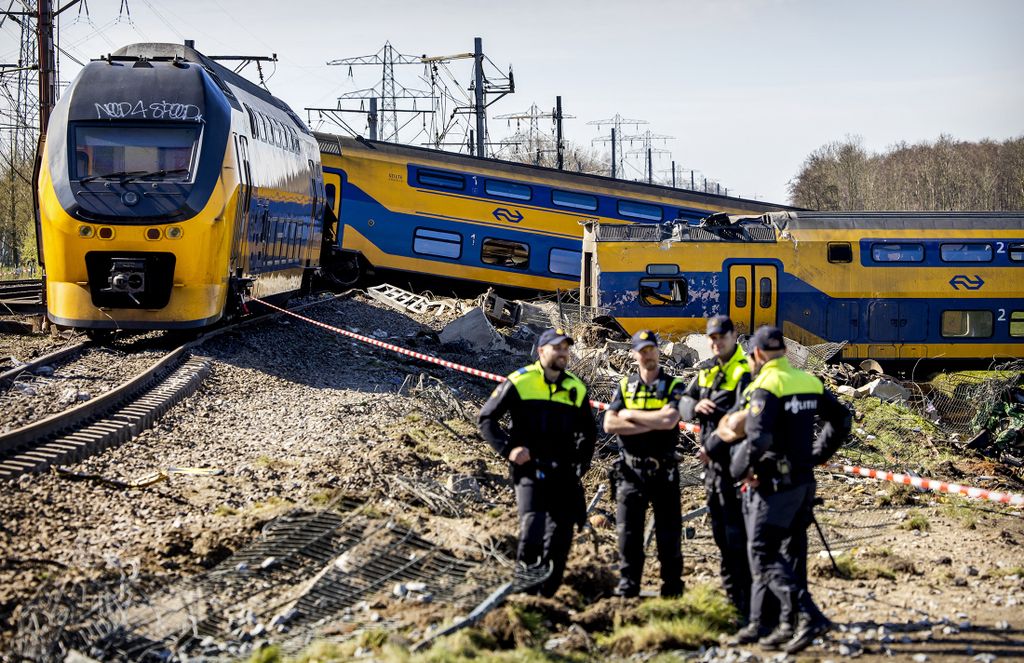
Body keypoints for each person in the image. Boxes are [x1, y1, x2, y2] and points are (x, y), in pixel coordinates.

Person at [728, 326, 852, 654]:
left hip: (774, 486)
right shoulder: (807, 381)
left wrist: (738, 470)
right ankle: (787, 624)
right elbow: (842, 419)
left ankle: (809, 616)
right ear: (783, 351)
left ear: (757, 354)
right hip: (803, 482)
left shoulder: (765, 386)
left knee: (762, 551)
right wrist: (817, 455)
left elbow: (758, 439)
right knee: (792, 551)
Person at [477, 327, 597, 598]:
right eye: (557, 348)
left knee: (561, 536)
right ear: (541, 351)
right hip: (530, 469)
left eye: (566, 348)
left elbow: (588, 434)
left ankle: (547, 597)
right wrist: (508, 449)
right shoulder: (520, 381)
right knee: (533, 527)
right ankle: (526, 593)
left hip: (564, 473)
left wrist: (581, 466)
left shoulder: (575, 388)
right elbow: (486, 419)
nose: (563, 353)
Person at [679, 315, 753, 617]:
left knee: (739, 535)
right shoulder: (707, 370)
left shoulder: (745, 370)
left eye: (722, 336)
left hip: (737, 463)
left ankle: (748, 602)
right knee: (721, 534)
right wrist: (694, 406)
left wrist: (713, 447)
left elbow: (743, 417)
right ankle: (734, 600)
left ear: (734, 336)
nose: (717, 342)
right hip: (713, 466)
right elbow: (683, 401)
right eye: (712, 338)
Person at [604, 330, 687, 598]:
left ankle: (672, 589)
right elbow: (609, 424)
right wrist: (652, 420)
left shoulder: (673, 385)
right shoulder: (625, 385)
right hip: (630, 471)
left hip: (664, 470)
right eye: (642, 351)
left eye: (651, 349)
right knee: (628, 534)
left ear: (658, 351)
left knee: (669, 534)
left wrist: (629, 415)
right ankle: (629, 586)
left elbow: (669, 421)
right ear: (634, 354)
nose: (647, 355)